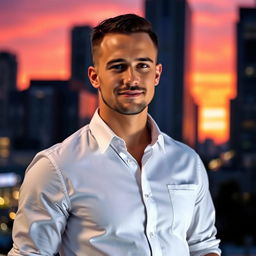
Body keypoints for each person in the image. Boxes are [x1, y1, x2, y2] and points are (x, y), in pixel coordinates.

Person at [8, 14, 221, 256]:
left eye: (143, 65)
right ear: (94, 76)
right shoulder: (56, 167)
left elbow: (203, 246)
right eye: (118, 66)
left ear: (157, 74)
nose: (131, 78)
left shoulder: (187, 161)